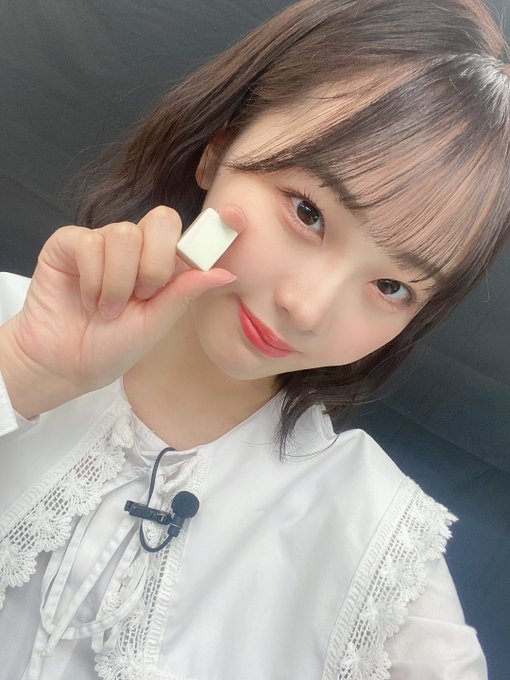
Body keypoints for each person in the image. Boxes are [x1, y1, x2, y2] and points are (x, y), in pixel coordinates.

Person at [0, 0, 509, 677]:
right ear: (218, 148)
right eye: (308, 211)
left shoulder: (377, 556)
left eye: (392, 287)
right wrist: (21, 371)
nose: (307, 308)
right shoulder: (13, 325)